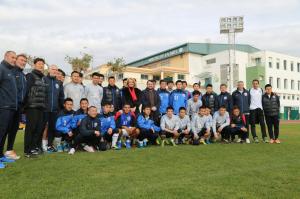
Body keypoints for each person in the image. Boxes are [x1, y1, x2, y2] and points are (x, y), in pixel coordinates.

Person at [24, 58, 48, 158]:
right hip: (32, 106)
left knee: (38, 128)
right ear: (34, 65)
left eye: (42, 64)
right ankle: (27, 150)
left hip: (40, 107)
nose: (41, 65)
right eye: (39, 64)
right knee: (31, 128)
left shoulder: (42, 78)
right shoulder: (30, 75)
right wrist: (25, 105)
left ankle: (33, 148)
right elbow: (26, 91)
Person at [5, 54, 26, 160]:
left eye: (25, 61)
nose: (23, 62)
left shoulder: (23, 75)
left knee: (14, 129)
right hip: (9, 105)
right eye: (21, 60)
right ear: (16, 60)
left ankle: (9, 150)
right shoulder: (11, 71)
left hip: (19, 106)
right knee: (5, 129)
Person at [0, 51, 18, 168]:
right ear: (5, 57)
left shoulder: (10, 71)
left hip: (11, 107)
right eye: (12, 57)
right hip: (3, 107)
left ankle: (1, 155)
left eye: (15, 58)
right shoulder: (1, 68)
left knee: (4, 132)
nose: (14, 60)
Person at [42, 65, 65, 153]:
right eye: (53, 69)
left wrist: (62, 108)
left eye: (56, 70)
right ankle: (42, 145)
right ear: (49, 70)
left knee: (52, 128)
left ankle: (49, 145)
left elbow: (61, 97)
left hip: (55, 110)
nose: (54, 71)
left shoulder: (58, 83)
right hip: (44, 109)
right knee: (43, 127)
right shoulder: (43, 79)